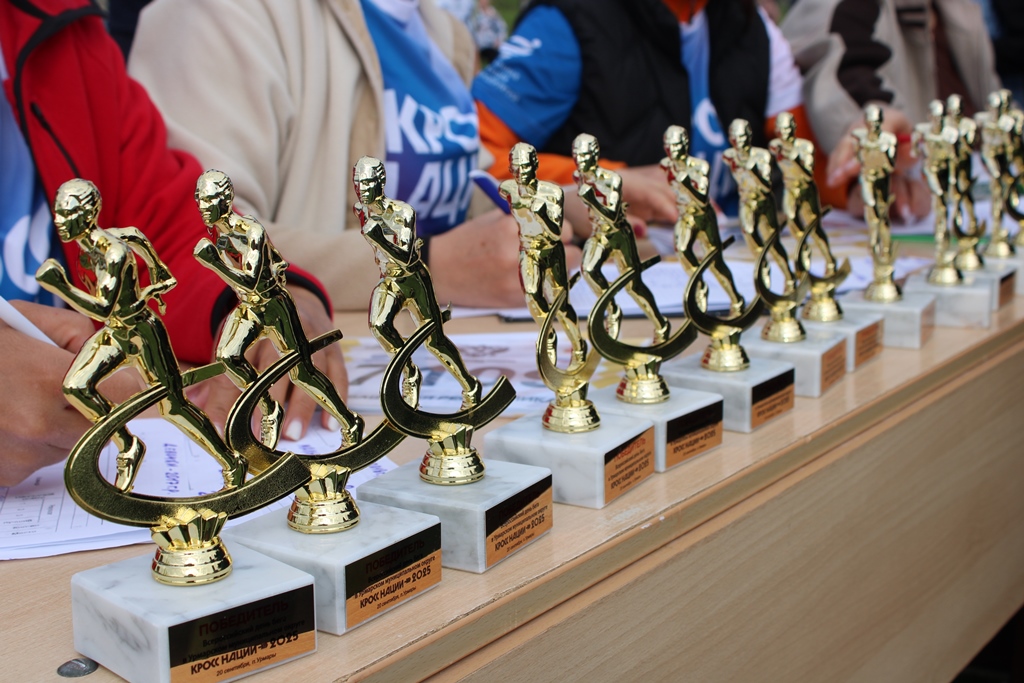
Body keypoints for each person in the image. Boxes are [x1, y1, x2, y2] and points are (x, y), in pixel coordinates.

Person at [0, 0, 342, 487]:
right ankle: (130, 445)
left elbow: (163, 225)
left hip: (130, 345)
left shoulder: (61, 30)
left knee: (180, 402)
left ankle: (189, 453)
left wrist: (253, 299)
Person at [128, 0, 528, 311]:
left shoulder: (445, 31)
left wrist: (529, 216)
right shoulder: (219, 12)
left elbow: (457, 191)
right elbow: (195, 242)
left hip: (442, 346)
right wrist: (423, 268)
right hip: (313, 367)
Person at [472, 0, 819, 222]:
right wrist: (605, 181)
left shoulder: (754, 27)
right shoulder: (568, 22)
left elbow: (813, 168)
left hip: (732, 259)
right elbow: (474, 161)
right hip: (605, 266)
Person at [37, 179, 248, 492]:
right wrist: (157, 267)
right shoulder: (94, 246)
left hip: (141, 332)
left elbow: (103, 308)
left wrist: (61, 286)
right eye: (57, 212)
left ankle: (231, 461)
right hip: (115, 333)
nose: (59, 220)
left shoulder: (112, 253)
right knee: (76, 386)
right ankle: (128, 446)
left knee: (173, 406)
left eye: (67, 213)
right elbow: (134, 233)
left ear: (88, 215)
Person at [782, 0, 1001, 222]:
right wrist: (872, 126)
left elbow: (993, 99)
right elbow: (844, 66)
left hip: (981, 184)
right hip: (924, 194)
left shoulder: (962, 11)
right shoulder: (846, 9)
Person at [194, 170, 364, 448]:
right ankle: (269, 407)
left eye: (209, 199)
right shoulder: (220, 236)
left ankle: (347, 419)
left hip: (273, 304)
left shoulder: (250, 231)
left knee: (301, 371)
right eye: (200, 199)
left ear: (225, 199)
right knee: (228, 357)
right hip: (248, 308)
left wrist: (214, 263)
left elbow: (250, 280)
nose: (203, 206)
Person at [353, 157, 482, 410]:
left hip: (413, 278)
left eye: (367, 182)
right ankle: (410, 372)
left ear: (381, 182)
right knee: (379, 325)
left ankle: (470, 385)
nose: (361, 189)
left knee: (434, 341)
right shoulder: (361, 209)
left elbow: (407, 257)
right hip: (389, 280)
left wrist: (379, 238)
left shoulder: (403, 212)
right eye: (357, 183)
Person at [573, 134, 669, 343]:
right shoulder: (579, 177)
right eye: (577, 156)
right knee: (589, 270)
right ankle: (612, 309)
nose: (581, 160)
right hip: (598, 234)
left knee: (633, 284)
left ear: (595, 154)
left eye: (585, 155)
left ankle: (660, 322)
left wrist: (590, 200)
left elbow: (613, 213)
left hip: (618, 233)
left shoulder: (611, 179)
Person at [500, 143, 587, 367]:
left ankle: (578, 343)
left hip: (551, 250)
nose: (521, 172)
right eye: (516, 167)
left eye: (525, 166)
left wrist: (542, 215)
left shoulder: (552, 192)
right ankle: (548, 336)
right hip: (527, 250)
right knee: (531, 295)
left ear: (535, 165)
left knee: (561, 303)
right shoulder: (508, 188)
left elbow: (556, 232)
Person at [661, 125, 745, 316]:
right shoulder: (666, 164)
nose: (672, 150)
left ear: (685, 144)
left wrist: (686, 182)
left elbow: (701, 197)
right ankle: (699, 287)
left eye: (676, 145)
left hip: (703, 216)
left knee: (714, 261)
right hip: (684, 215)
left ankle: (735, 297)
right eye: (668, 145)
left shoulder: (699, 166)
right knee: (683, 251)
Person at [723, 119, 795, 288]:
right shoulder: (730, 155)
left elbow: (766, 184)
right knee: (750, 236)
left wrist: (753, 170)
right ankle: (763, 277)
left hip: (763, 201)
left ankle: (788, 275)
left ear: (749, 136)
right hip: (746, 201)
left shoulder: (761, 156)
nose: (739, 141)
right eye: (735, 137)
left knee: (771, 240)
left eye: (742, 136)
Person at [769, 111, 837, 277]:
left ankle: (829, 259)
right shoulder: (775, 146)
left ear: (794, 128)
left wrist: (794, 159)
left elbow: (808, 174)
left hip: (805, 189)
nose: (784, 133)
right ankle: (803, 260)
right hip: (789, 188)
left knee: (813, 226)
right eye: (781, 129)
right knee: (792, 223)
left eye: (787, 129)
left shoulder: (805, 147)